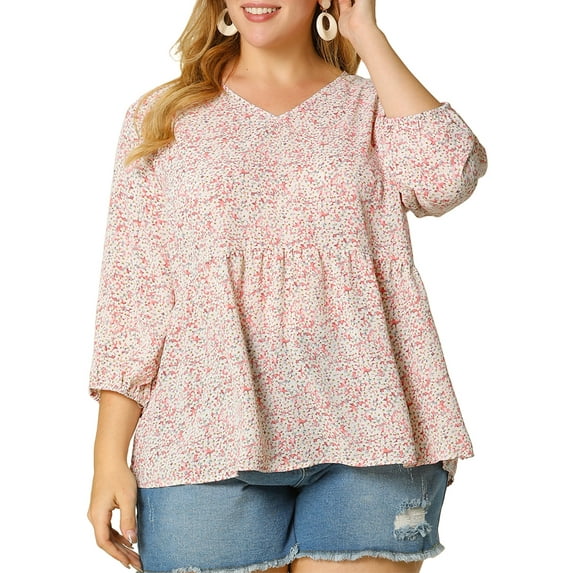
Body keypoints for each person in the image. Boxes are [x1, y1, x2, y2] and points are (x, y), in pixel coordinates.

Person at [87, 1, 487, 572]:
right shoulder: (162, 116)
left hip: (372, 431)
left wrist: (364, 32)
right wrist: (107, 455)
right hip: (202, 437)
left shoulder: (376, 108)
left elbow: (448, 176)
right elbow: (133, 294)